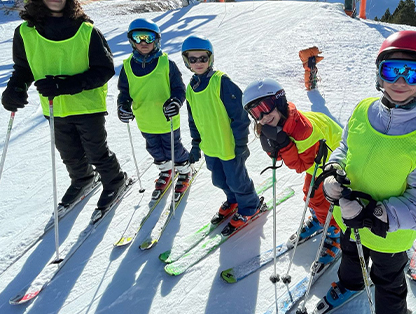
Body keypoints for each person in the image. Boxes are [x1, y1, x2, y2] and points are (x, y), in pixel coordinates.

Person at [319, 31, 416, 314]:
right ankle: (351, 283)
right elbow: (345, 147)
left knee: (388, 279)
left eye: (413, 73)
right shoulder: (363, 109)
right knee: (350, 256)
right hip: (347, 219)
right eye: (392, 70)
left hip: (389, 235)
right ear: (379, 75)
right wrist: (333, 171)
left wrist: (372, 214)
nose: (401, 82)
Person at [0, 0, 127, 220]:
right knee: (68, 151)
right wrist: (15, 88)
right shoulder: (25, 33)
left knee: (95, 150)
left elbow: (104, 70)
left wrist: (65, 85)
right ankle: (83, 179)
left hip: (87, 103)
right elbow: (23, 68)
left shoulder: (86, 31)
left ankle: (115, 180)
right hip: (54, 107)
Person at [242, 78, 343, 264]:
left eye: (264, 107)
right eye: (255, 113)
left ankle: (335, 233)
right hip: (317, 163)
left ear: (279, 101)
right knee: (310, 195)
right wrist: (275, 147)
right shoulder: (277, 123)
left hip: (334, 163)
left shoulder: (303, 130)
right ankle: (320, 220)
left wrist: (284, 143)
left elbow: (300, 166)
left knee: (322, 201)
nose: (263, 116)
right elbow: (286, 158)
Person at [181, 36, 262, 236]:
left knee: (237, 180)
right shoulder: (191, 87)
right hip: (211, 147)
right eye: (193, 59)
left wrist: (241, 143)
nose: (198, 63)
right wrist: (195, 144)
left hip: (230, 146)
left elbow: (241, 115)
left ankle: (250, 206)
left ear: (210, 58)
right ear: (186, 61)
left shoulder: (221, 82)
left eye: (203, 58)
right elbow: (194, 119)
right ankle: (233, 199)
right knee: (219, 180)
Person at [117, 18, 191, 201]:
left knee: (173, 147)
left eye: (148, 38)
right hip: (145, 120)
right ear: (131, 41)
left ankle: (184, 169)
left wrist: (175, 102)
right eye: (138, 37)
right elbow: (124, 92)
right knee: (154, 149)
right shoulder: (127, 66)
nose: (143, 42)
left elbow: (179, 89)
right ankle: (166, 170)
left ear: (156, 40)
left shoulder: (167, 64)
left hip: (167, 119)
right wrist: (123, 105)